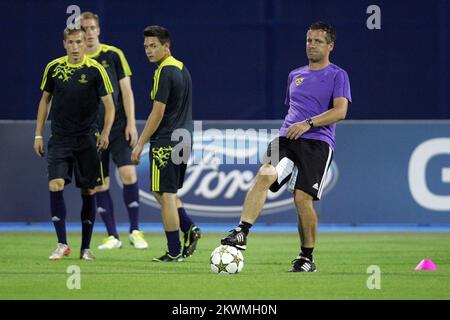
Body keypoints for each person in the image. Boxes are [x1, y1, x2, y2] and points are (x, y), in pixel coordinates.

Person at [220, 21, 352, 272]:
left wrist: (309, 123)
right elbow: (293, 109)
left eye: (318, 41)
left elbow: (340, 111)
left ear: (330, 46)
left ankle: (306, 257)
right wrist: (297, 124)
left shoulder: (338, 75)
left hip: (318, 143)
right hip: (287, 138)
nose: (311, 45)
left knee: (302, 199)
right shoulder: (295, 74)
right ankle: (242, 231)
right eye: (309, 40)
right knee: (265, 173)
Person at [33, 26, 115, 260]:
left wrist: (106, 132)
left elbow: (110, 106)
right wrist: (38, 134)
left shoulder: (96, 70)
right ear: (64, 44)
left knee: (88, 190)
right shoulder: (54, 68)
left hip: (88, 140)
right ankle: (62, 244)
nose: (76, 47)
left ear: (84, 44)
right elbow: (44, 101)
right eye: (71, 42)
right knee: (56, 184)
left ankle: (85, 248)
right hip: (60, 139)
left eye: (80, 42)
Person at [131, 26, 201, 262]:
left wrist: (140, 143)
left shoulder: (163, 71)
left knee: (167, 195)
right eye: (146, 47)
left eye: (153, 46)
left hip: (167, 140)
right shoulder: (182, 68)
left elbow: (157, 112)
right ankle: (189, 229)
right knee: (162, 191)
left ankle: (173, 250)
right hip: (185, 138)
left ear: (166, 46)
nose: (149, 51)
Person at [80, 12, 148, 250]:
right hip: (92, 131)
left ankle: (135, 231)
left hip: (118, 127)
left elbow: (126, 91)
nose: (88, 33)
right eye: (84, 29)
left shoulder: (113, 54)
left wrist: (131, 122)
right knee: (100, 184)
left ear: (98, 30)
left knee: (129, 174)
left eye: (92, 28)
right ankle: (112, 236)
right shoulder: (77, 61)